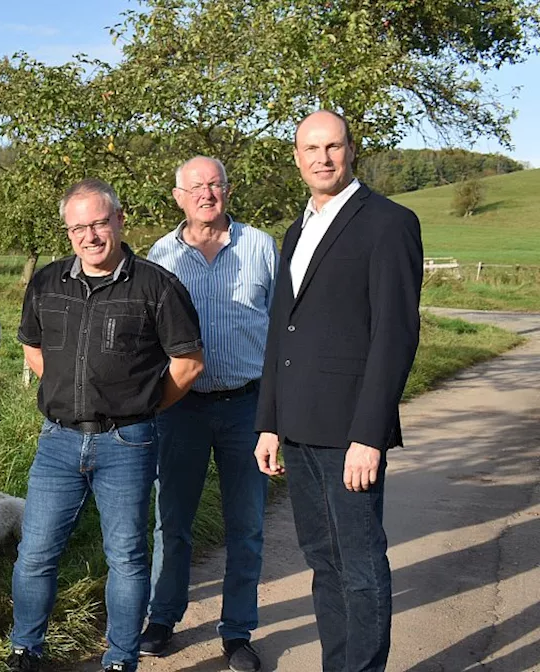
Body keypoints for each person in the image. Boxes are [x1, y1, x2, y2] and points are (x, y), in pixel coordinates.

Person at [7, 178, 204, 672]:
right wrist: (69, 392)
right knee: (34, 553)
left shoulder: (156, 286)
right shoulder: (48, 281)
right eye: (79, 227)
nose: (90, 235)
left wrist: (144, 405)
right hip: (58, 441)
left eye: (98, 222)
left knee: (128, 557)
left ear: (119, 220)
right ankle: (26, 647)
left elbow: (188, 363)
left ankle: (120, 657)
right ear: (68, 231)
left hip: (128, 442)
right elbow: (32, 347)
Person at [254, 110, 422, 672]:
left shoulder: (388, 222)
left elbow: (395, 335)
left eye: (333, 146)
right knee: (323, 562)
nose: (322, 158)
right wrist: (268, 421)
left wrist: (369, 435)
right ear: (297, 157)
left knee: (360, 564)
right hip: (298, 427)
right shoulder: (296, 230)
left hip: (350, 433)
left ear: (352, 150)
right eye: (310, 148)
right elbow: (283, 329)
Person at [141, 156, 277, 672]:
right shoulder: (161, 254)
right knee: (171, 522)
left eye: (215, 183)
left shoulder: (261, 246)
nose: (206, 193)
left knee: (247, 525)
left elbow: (286, 328)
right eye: (195, 186)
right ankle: (163, 618)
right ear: (178, 196)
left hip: (247, 406)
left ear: (227, 190)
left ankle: (238, 631)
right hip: (181, 409)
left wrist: (277, 414)